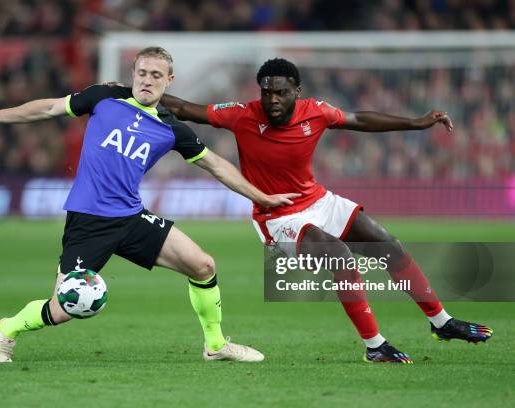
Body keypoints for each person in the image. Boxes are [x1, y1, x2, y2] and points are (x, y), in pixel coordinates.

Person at [145, 57, 493, 363]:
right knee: (340, 258)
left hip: (319, 200)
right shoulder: (243, 114)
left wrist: (415, 123)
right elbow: (186, 109)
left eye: (281, 92)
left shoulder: (317, 111)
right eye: (267, 92)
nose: (273, 100)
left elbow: (360, 120)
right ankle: (375, 345)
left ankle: (441, 322)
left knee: (388, 244)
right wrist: (135, 92)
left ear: (297, 90)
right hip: (278, 216)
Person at [0, 47, 299, 364]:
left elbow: (215, 165)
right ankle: (6, 328)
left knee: (203, 266)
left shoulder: (171, 128)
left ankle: (215, 345)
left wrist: (261, 196)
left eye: (156, 75)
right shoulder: (104, 97)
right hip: (89, 222)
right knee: (65, 308)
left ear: (169, 80)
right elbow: (49, 108)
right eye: (142, 72)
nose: (147, 80)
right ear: (133, 74)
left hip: (131, 218)